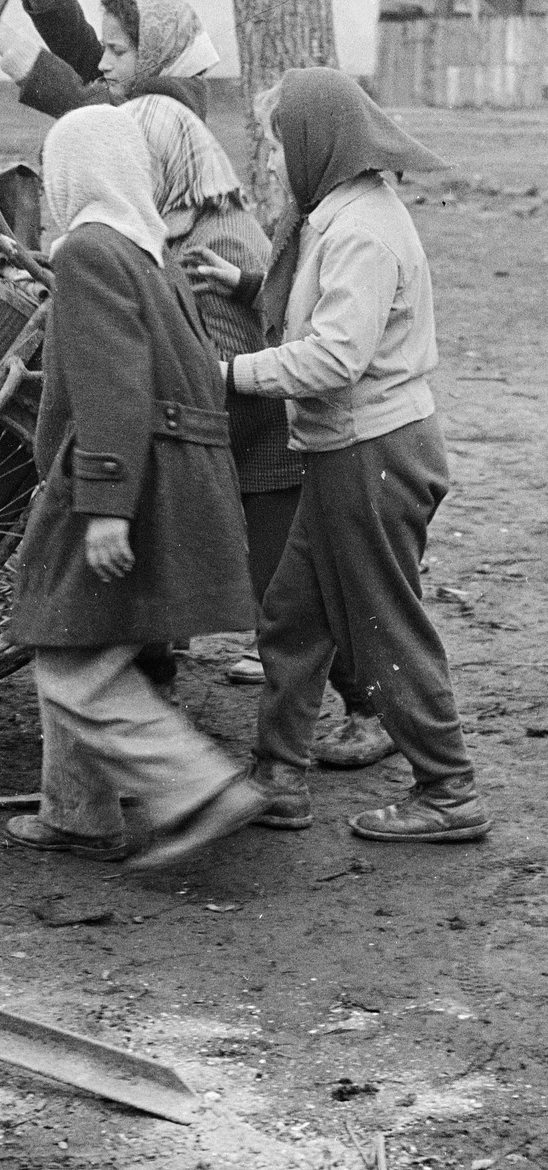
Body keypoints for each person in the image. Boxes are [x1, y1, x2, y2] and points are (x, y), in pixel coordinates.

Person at [199, 67, 486, 844]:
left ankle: (449, 790)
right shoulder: (341, 213)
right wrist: (246, 281)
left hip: (374, 455)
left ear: (316, 140)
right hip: (345, 453)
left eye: (277, 144)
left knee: (384, 626)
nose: (271, 161)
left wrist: (226, 374)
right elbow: (323, 299)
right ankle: (277, 777)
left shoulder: (360, 228)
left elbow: (332, 358)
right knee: (292, 617)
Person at [6, 105, 268, 872]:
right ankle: (76, 814)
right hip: (180, 486)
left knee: (71, 665)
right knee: (84, 639)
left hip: (130, 489)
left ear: (72, 173)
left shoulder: (87, 253)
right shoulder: (148, 254)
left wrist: (105, 508)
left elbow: (111, 389)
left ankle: (198, 791)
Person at [130, 93, 395, 774]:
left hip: (266, 452)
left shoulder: (211, 237)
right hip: (252, 444)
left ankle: (367, 714)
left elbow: (224, 368)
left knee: (292, 606)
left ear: (164, 165)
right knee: (289, 602)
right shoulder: (195, 233)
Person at [0, 0, 220, 121]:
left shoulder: (166, 111)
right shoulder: (142, 83)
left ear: (156, 54)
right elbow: (78, 46)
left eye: (117, 51)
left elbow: (76, 100)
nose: (102, 63)